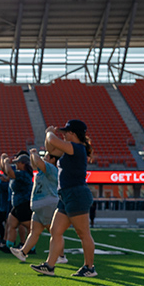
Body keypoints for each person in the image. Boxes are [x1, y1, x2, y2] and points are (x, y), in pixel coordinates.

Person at [31, 119, 97, 277]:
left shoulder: (76, 148)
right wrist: (50, 135)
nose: (64, 135)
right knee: (55, 230)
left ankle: (89, 267)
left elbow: (52, 140)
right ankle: (50, 266)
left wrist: (49, 133)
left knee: (83, 233)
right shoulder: (69, 148)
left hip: (76, 194)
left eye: (66, 132)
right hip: (66, 195)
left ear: (73, 134)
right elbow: (51, 148)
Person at [10, 149, 64, 264]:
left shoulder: (51, 168)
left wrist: (34, 153)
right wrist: (33, 156)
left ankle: (61, 256)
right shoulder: (44, 170)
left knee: (55, 233)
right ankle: (23, 252)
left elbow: (38, 162)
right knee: (34, 232)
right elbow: (35, 164)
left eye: (47, 156)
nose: (45, 158)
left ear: (53, 160)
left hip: (47, 204)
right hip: (40, 205)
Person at [1, 151, 33, 252]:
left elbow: (10, 172)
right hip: (18, 204)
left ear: (23, 163)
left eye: (18, 163)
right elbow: (6, 171)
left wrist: (6, 162)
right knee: (11, 224)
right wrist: (3, 160)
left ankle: (31, 248)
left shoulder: (24, 174)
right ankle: (9, 246)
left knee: (30, 227)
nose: (16, 165)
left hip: (24, 204)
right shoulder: (20, 173)